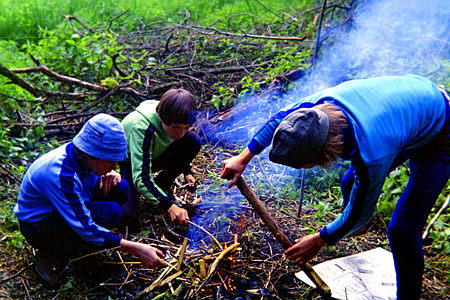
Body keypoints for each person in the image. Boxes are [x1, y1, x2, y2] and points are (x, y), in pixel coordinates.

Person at [220, 75, 450, 299]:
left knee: (402, 230)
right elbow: (278, 120)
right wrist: (244, 157)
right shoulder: (315, 111)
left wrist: (320, 239)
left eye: (305, 165)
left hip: (440, 135)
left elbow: (361, 211)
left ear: (320, 157)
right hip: (406, 112)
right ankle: (354, 228)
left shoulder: (372, 155)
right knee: (349, 183)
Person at [14, 113, 165, 285]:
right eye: (110, 161)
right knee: (111, 212)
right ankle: (51, 253)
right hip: (40, 226)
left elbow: (93, 180)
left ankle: (82, 243)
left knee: (121, 188)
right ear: (93, 154)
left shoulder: (81, 157)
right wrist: (135, 248)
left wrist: (109, 173)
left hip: (65, 205)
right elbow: (85, 226)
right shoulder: (61, 174)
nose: (113, 167)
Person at [120, 88, 202, 232]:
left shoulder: (174, 113)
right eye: (176, 127)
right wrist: (169, 206)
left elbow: (182, 144)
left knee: (193, 140)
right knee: (128, 218)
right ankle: (154, 194)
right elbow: (141, 177)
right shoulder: (142, 126)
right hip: (131, 163)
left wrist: (187, 171)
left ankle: (161, 185)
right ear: (160, 118)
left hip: (157, 154)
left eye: (186, 127)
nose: (181, 133)